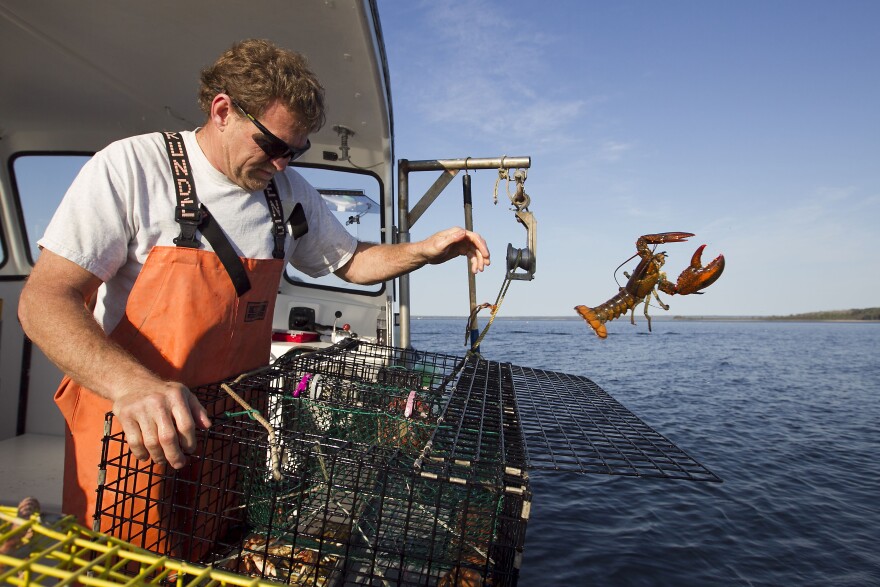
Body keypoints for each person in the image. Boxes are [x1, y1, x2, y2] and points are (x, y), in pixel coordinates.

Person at [17, 39, 490, 530]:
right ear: (223, 110)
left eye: (296, 150)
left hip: (226, 429)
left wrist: (424, 251)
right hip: (132, 429)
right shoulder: (132, 168)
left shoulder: (287, 193)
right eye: (273, 146)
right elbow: (44, 300)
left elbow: (350, 262)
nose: (285, 163)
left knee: (213, 555)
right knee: (120, 567)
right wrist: (133, 386)